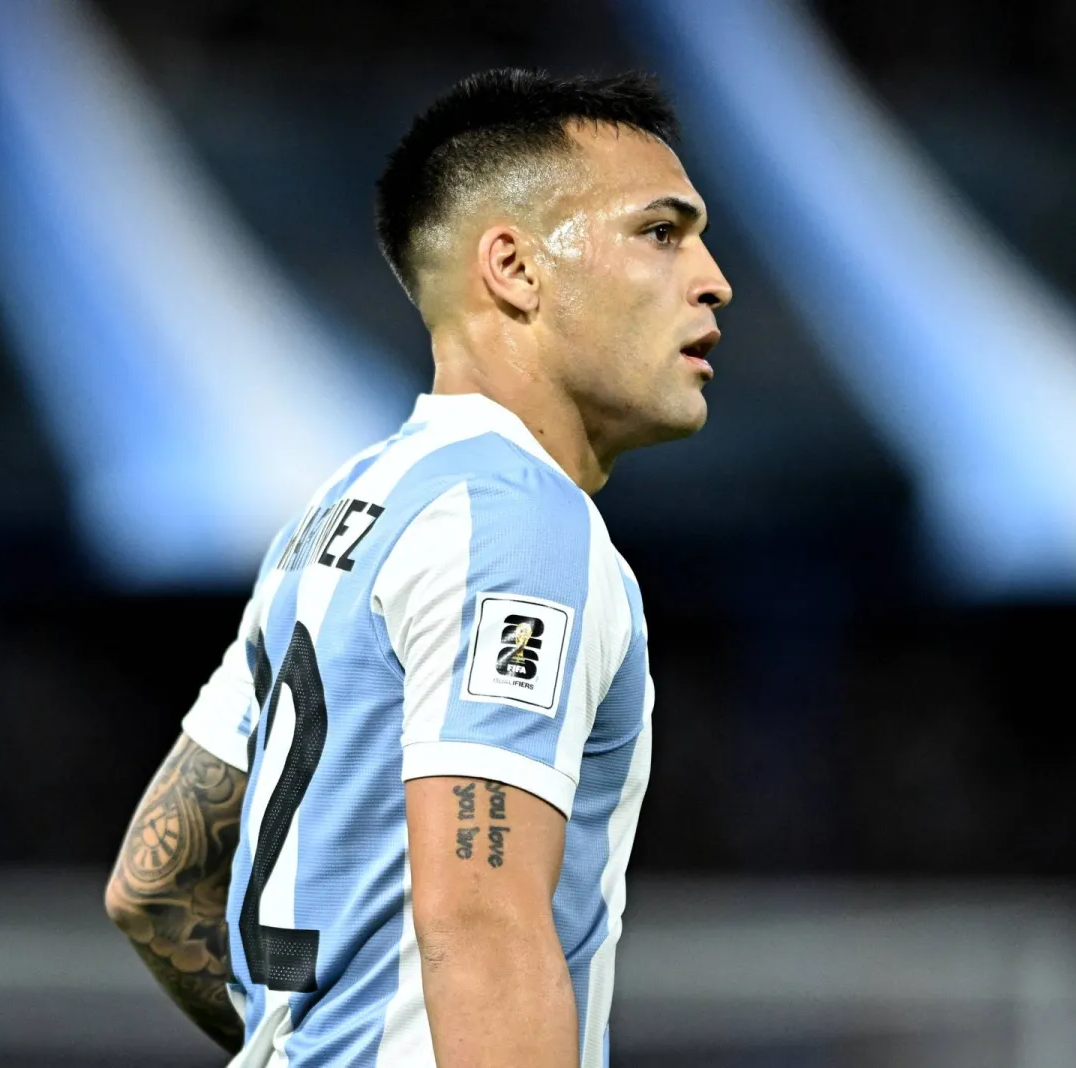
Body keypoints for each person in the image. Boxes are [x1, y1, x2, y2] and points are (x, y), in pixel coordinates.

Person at [105, 67, 732, 1068]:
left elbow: (155, 886)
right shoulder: (518, 525)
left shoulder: (337, 517)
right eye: (661, 232)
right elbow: (482, 924)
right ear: (515, 269)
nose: (713, 277)